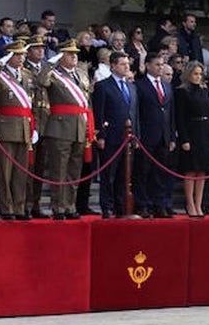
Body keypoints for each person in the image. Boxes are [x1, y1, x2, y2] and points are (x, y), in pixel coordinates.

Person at [36, 39, 94, 220]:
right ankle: (58, 207)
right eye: (70, 53)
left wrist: (89, 127)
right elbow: (41, 81)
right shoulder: (53, 74)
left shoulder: (81, 75)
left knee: (74, 171)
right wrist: (50, 64)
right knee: (59, 170)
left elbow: (86, 101)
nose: (74, 56)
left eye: (75, 53)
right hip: (60, 127)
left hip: (79, 126)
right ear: (61, 56)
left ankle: (70, 205)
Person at [0, 38, 36, 219]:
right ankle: (7, 209)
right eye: (17, 55)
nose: (21, 58)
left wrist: (34, 125)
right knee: (5, 173)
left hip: (24, 128)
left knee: (21, 173)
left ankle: (20, 207)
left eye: (22, 54)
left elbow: (34, 100)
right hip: (6, 127)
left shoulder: (28, 75)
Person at [90, 51, 138, 218]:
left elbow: (134, 114)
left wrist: (135, 136)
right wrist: (100, 136)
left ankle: (121, 206)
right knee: (109, 174)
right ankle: (107, 206)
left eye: (128, 64)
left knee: (124, 175)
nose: (126, 67)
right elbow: (99, 113)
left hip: (128, 138)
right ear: (113, 66)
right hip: (111, 136)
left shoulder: (131, 86)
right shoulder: (103, 86)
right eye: (122, 64)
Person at [175, 61, 209, 217]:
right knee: (191, 170)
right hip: (191, 130)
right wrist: (184, 140)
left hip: (205, 131)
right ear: (188, 74)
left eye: (200, 74)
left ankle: (199, 203)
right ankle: (189, 203)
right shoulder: (182, 92)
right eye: (195, 73)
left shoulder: (204, 90)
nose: (198, 77)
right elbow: (180, 118)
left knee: (202, 170)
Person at [134, 54, 176, 218]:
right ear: (148, 66)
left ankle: (159, 204)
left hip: (163, 136)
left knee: (161, 173)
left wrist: (172, 136)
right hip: (146, 135)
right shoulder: (140, 85)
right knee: (143, 171)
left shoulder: (167, 86)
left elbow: (170, 113)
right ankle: (143, 204)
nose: (160, 67)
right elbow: (137, 112)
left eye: (162, 64)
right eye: (157, 64)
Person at [22, 38, 51, 218]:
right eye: (36, 48)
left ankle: (36, 203)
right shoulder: (24, 70)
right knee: (28, 167)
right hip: (30, 121)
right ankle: (26, 203)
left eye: (42, 48)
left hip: (45, 121)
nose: (40, 52)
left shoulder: (47, 69)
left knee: (40, 167)